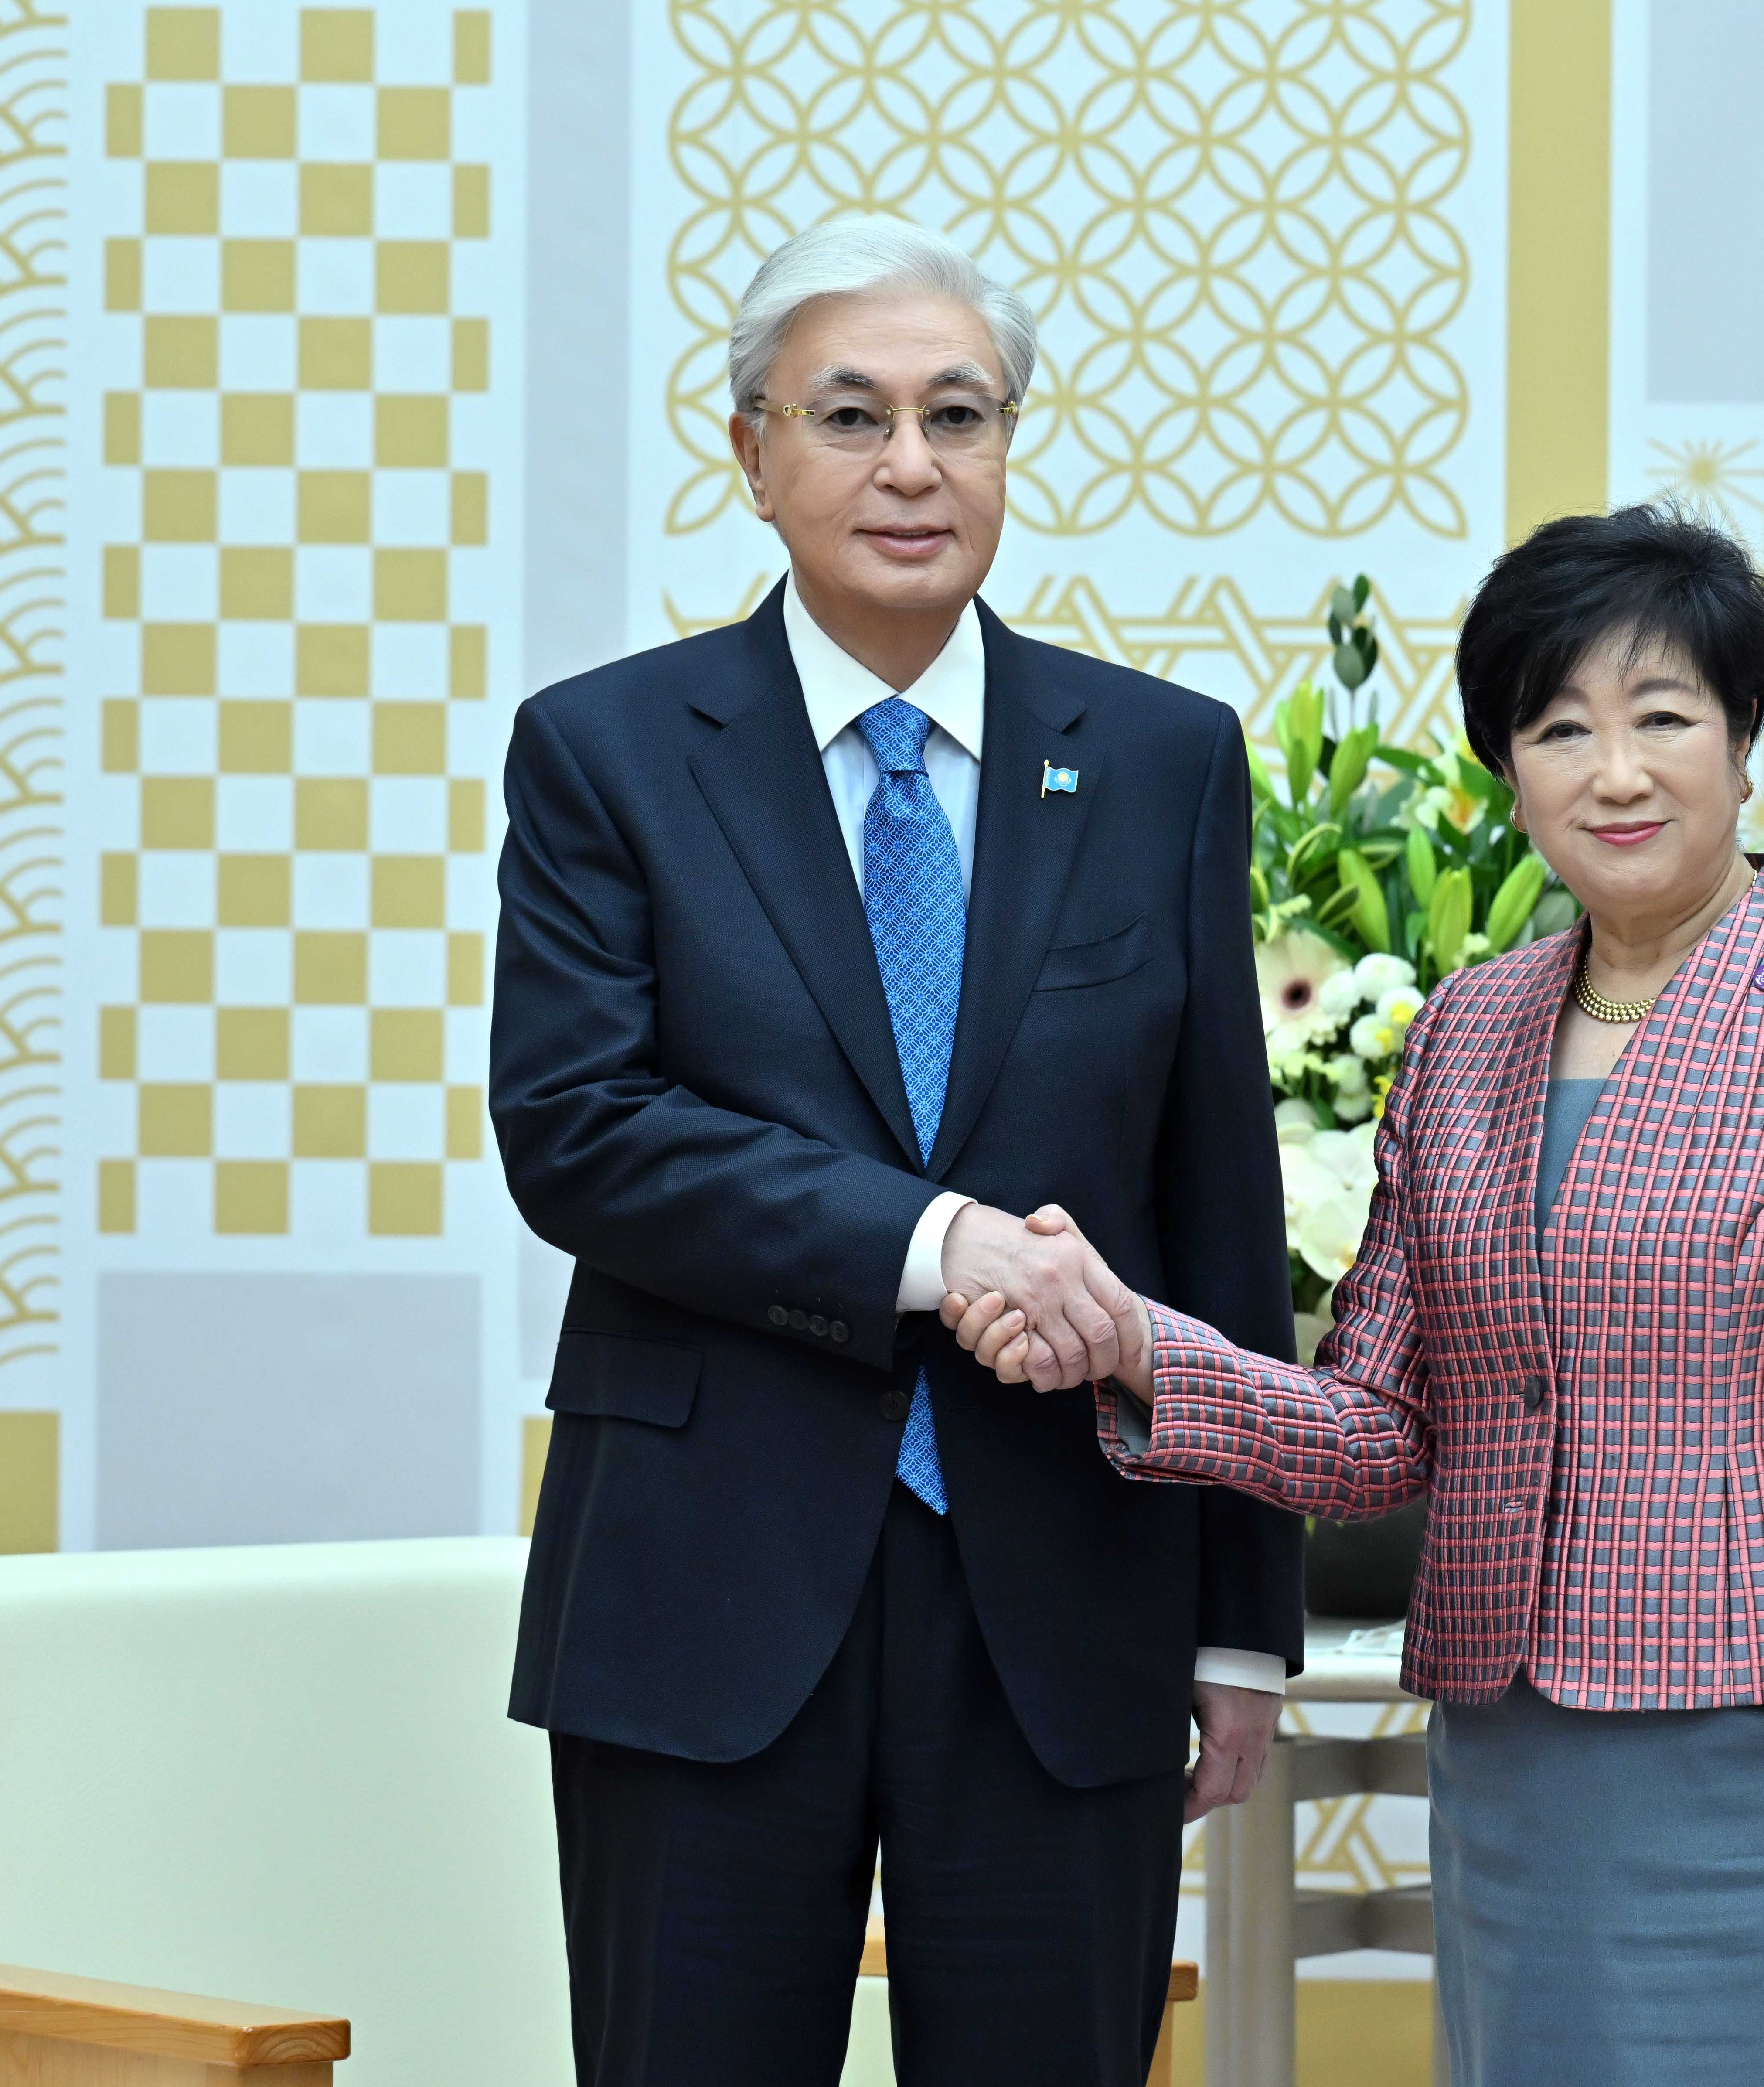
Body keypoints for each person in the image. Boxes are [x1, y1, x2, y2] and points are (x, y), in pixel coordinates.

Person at [946, 504, 1764, 2084]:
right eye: (1558, 727)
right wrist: (1133, 1343)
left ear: (1741, 738)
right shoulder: (1468, 1027)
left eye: (1663, 717)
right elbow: (1380, 1428)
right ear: (1505, 769)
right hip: (1519, 1762)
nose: (1616, 770)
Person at [492, 216, 1302, 2087]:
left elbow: (1216, 1196)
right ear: (752, 453)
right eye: (851, 416)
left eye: (962, 414)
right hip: (704, 1591)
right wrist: (943, 1248)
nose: (913, 466)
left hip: (1066, 1591)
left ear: (1012, 446)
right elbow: (579, 1130)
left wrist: (1243, 1625)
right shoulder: (610, 752)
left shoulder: (1164, 756)